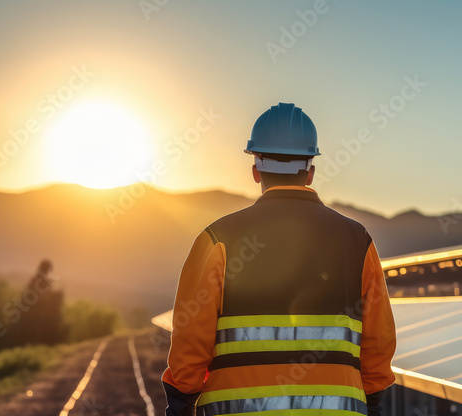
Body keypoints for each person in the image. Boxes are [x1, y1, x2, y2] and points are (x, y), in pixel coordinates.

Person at [162, 103, 397, 416]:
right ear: (310, 172)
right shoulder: (358, 242)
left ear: (255, 169)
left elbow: (190, 344)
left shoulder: (217, 239)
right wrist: (375, 404)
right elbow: (378, 344)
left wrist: (181, 404)